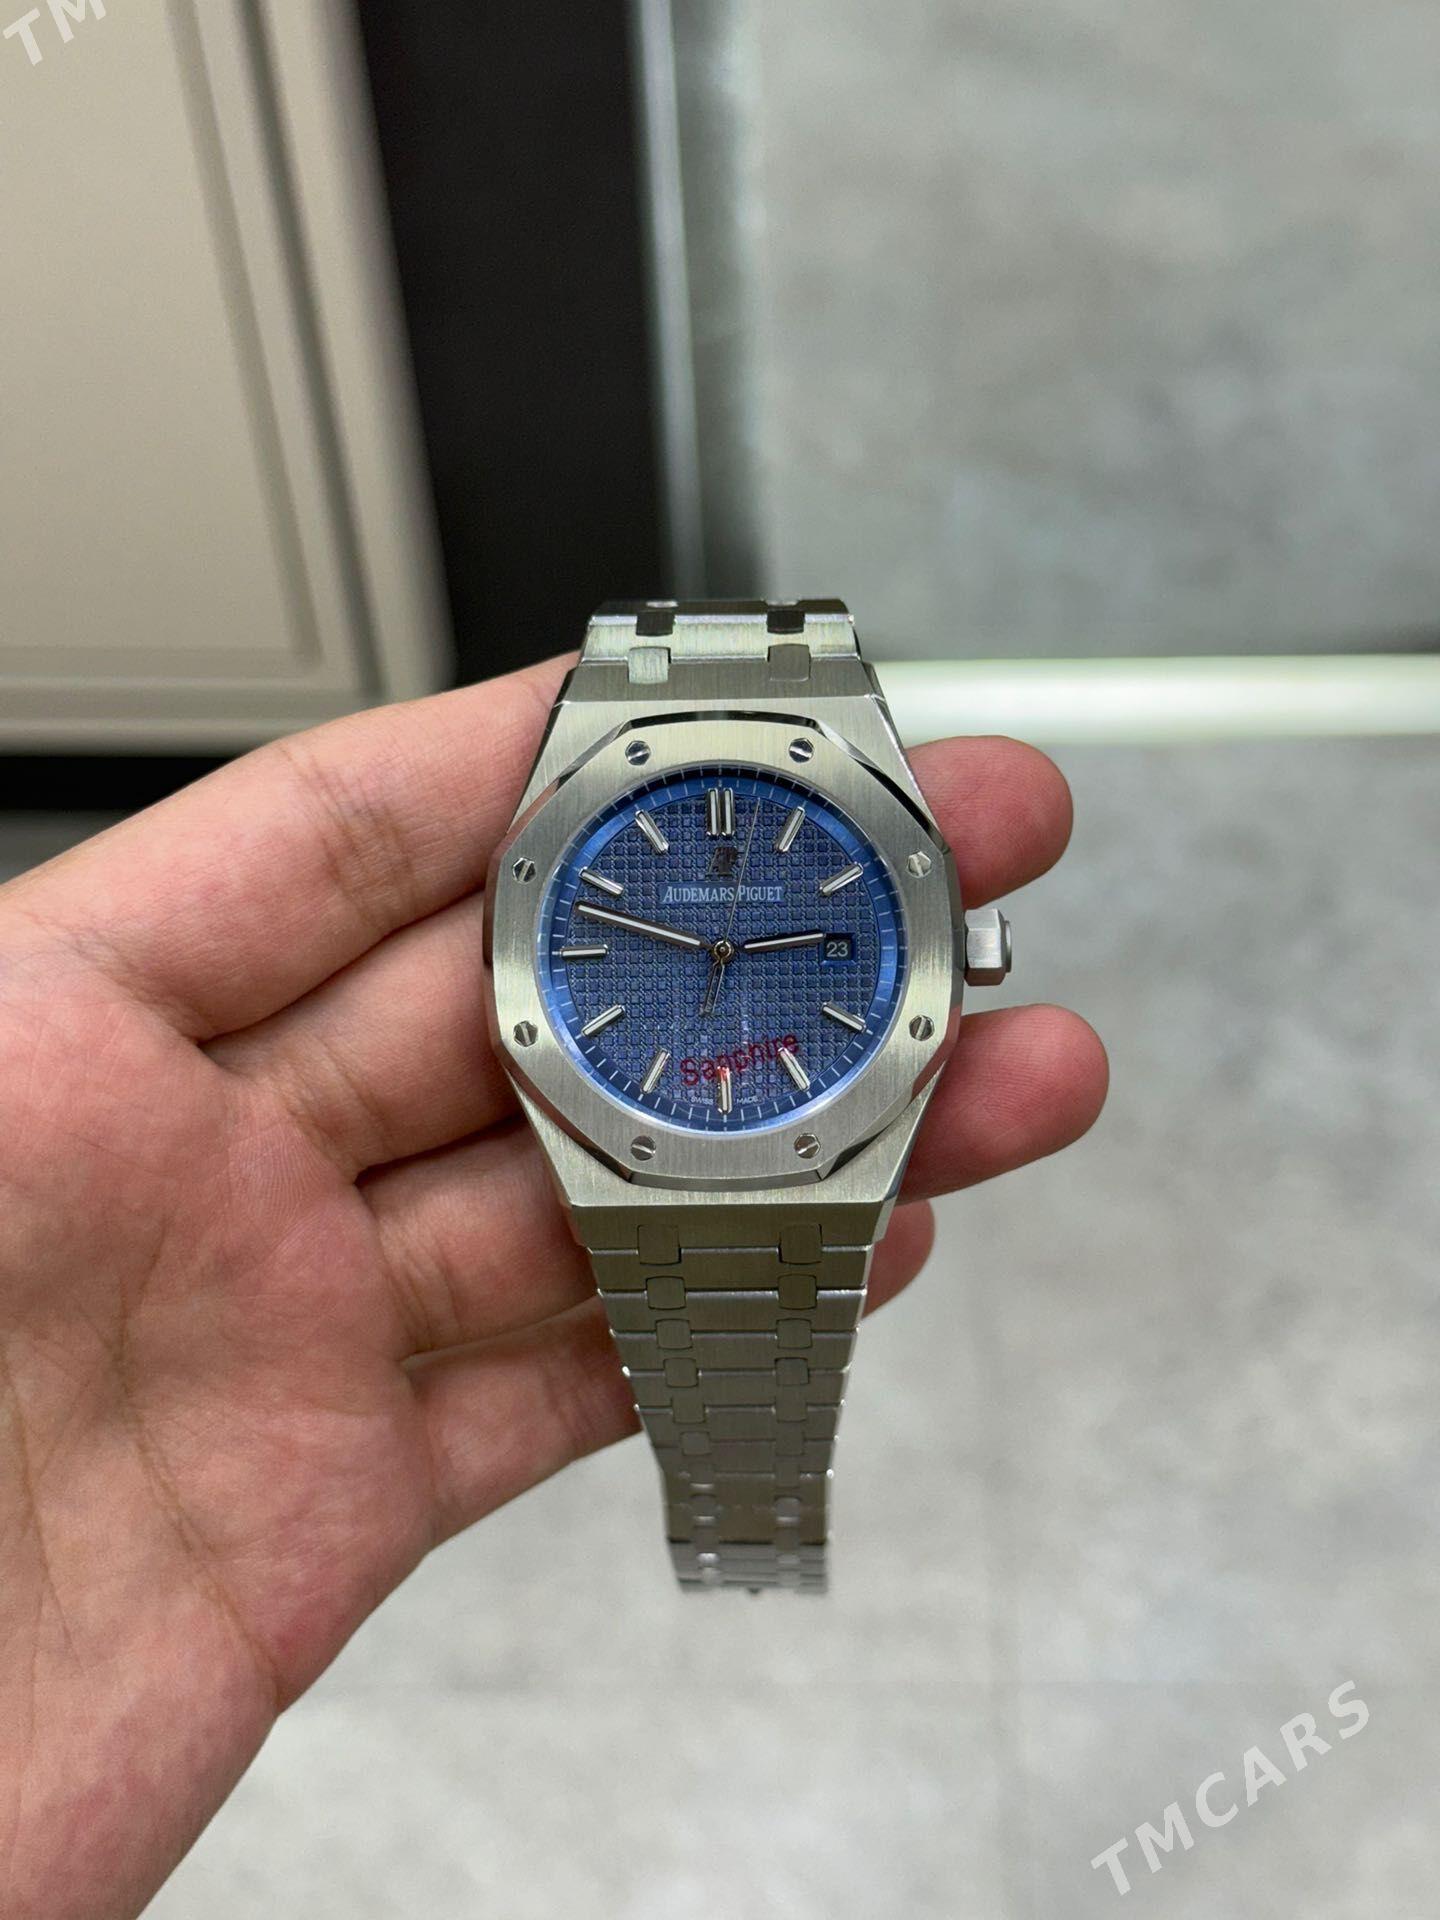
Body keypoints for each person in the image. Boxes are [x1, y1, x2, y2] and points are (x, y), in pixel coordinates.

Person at [0, 658, 1107, 1919]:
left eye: (740, 946)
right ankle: (752, 1541)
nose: (724, 952)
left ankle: (756, 1540)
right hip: (673, 1112)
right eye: (705, 946)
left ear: (963, 955)